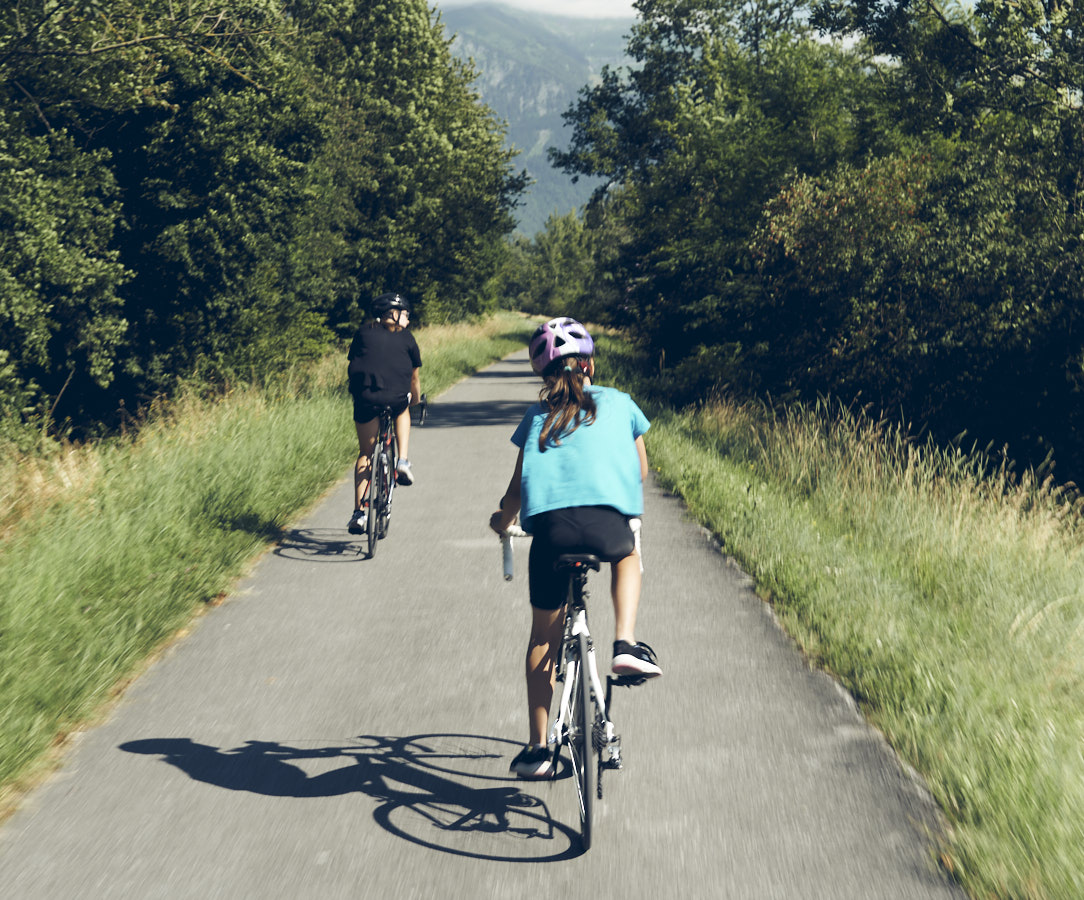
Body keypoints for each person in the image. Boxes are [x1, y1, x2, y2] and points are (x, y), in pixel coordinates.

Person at [489, 316, 661, 780]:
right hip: (608, 526)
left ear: (542, 374)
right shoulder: (621, 403)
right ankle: (624, 643)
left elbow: (515, 494)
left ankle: (538, 750)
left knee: (544, 635)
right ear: (590, 364)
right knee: (627, 556)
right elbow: (640, 470)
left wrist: (500, 522)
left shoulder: (536, 418)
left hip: (551, 534)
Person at [347, 292, 422, 534]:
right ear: (393, 314)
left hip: (365, 399)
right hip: (395, 399)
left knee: (366, 453)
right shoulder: (407, 339)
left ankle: (358, 513)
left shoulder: (362, 333)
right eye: (405, 314)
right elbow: (414, 378)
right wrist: (416, 400)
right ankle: (402, 461)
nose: (407, 320)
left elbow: (353, 363)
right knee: (404, 408)